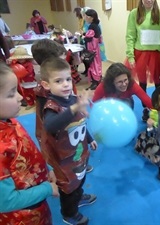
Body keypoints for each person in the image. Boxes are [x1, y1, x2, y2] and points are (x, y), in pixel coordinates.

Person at [39, 57, 98, 224]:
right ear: (46, 85)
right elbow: (50, 126)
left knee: (80, 179)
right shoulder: (51, 107)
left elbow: (79, 122)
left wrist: (89, 138)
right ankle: (68, 213)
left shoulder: (73, 100)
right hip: (63, 159)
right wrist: (74, 108)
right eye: (58, 81)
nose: (65, 84)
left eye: (67, 79)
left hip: (78, 152)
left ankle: (78, 197)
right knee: (67, 187)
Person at [0, 62, 59, 225]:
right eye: (11, 94)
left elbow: (29, 153)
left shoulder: (10, 120)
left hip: (36, 205)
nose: (20, 97)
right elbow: (6, 201)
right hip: (21, 217)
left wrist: (48, 170)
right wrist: (47, 188)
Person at [125, 0, 160, 122]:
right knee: (142, 83)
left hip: (156, 54)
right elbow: (130, 35)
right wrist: (130, 56)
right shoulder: (135, 13)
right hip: (140, 54)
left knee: (159, 84)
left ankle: (158, 108)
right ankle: (146, 108)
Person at [9, 46, 37, 110]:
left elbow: (29, 72)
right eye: (19, 59)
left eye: (22, 58)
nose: (20, 60)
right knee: (26, 94)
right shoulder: (16, 64)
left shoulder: (29, 64)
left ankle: (38, 103)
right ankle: (31, 103)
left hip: (30, 82)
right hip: (22, 82)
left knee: (33, 93)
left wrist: (21, 72)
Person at [83, 9, 102, 90]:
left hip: (92, 49)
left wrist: (83, 36)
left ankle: (95, 82)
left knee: (94, 66)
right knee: (97, 64)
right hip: (96, 49)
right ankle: (98, 80)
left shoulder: (92, 26)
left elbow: (88, 38)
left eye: (87, 16)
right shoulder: (96, 25)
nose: (85, 18)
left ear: (92, 17)